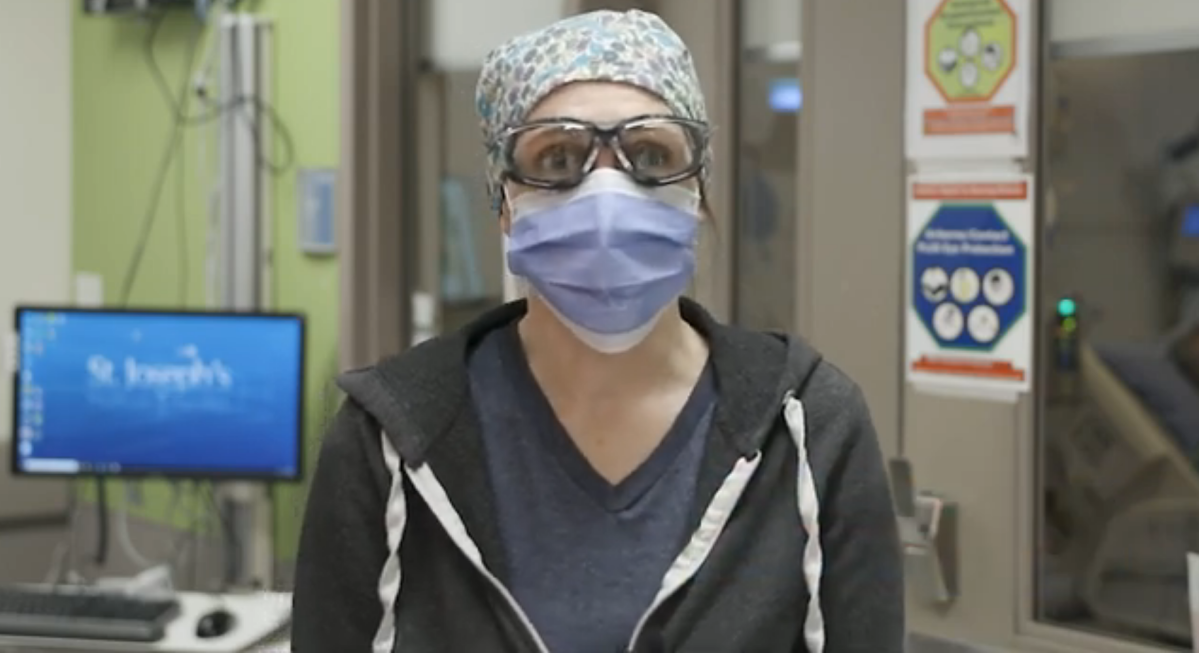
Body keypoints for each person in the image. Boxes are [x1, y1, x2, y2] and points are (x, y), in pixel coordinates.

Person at [292, 9, 903, 653]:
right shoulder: (388, 441)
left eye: (650, 154)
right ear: (504, 202)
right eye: (557, 156)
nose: (608, 193)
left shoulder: (809, 427)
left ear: (697, 187)